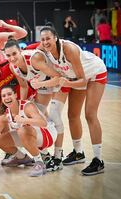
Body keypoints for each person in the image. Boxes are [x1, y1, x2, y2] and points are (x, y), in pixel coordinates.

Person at [36, 26, 107, 175]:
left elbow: (82, 81)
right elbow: (29, 52)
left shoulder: (69, 49)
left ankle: (98, 160)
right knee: (72, 115)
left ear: (55, 37)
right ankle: (78, 153)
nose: (45, 42)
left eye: (48, 38)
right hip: (74, 78)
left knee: (90, 115)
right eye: (42, 39)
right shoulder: (43, 50)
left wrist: (67, 83)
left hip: (94, 74)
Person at [3, 36, 69, 171]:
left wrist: (40, 84)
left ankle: (58, 156)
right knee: (36, 116)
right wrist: (22, 105)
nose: (12, 58)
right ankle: (45, 154)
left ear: (20, 51)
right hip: (44, 84)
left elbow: (58, 77)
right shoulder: (12, 66)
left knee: (55, 116)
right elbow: (23, 86)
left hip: (60, 80)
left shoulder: (33, 59)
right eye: (8, 55)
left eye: (14, 53)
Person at [0, 85, 57, 177]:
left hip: (48, 135)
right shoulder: (5, 116)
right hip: (30, 135)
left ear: (16, 95)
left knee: (22, 130)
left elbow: (43, 123)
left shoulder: (27, 106)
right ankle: (22, 158)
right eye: (4, 96)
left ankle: (39, 163)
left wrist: (24, 120)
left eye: (9, 94)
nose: (7, 97)